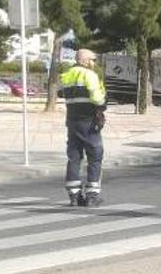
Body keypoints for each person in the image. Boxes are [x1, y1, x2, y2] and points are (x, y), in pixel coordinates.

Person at [59, 49, 107, 207]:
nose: (95, 63)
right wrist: (102, 105)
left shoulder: (67, 75)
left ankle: (74, 196)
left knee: (74, 157)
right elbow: (96, 97)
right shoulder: (89, 75)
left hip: (72, 120)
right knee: (95, 157)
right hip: (89, 120)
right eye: (93, 60)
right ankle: (92, 196)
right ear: (85, 61)